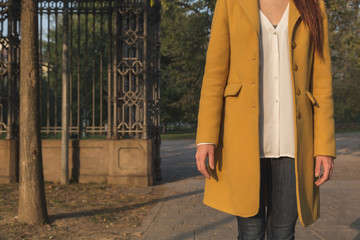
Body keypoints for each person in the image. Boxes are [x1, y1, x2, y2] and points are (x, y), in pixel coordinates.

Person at [194, 0, 336, 239]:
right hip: (243, 138)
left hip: (294, 140)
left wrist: (325, 147)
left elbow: (322, 82)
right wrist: (206, 138)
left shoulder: (313, 4)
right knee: (250, 232)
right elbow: (214, 74)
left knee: (283, 232)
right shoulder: (230, 3)